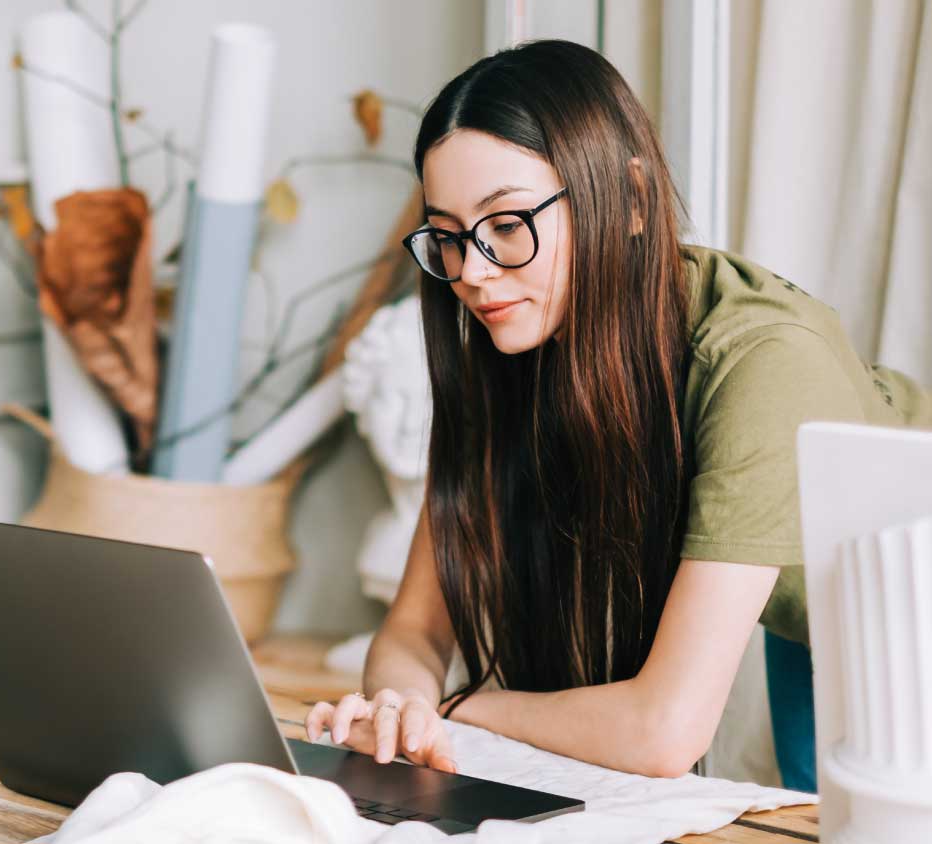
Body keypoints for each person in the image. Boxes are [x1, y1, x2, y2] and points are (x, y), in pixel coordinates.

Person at [304, 39, 931, 792]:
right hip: (822, 615)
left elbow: (663, 731)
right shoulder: (518, 346)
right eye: (447, 236)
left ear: (631, 201)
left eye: (507, 225)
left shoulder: (762, 360)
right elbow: (415, 628)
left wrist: (463, 707)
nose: (471, 272)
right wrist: (405, 704)